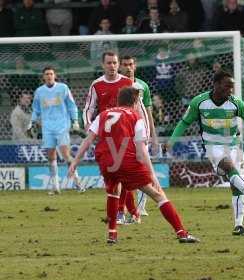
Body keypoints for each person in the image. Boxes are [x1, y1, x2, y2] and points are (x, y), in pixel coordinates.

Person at [69, 86, 199, 244]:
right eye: (138, 101)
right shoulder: (135, 117)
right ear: (135, 101)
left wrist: (74, 162)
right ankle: (182, 233)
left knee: (113, 192)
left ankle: (112, 234)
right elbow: (141, 151)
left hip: (106, 161)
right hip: (125, 160)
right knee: (158, 195)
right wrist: (151, 175)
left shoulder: (103, 115)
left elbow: (88, 140)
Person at [167, 70, 244, 236]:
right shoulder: (199, 102)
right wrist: (171, 142)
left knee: (236, 184)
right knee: (228, 166)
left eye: (232, 88)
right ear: (216, 85)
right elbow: (184, 122)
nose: (230, 91)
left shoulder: (236, 104)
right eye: (227, 87)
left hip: (233, 146)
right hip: (213, 147)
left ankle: (239, 225)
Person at [83, 51, 137, 225]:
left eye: (114, 63)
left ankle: (124, 212)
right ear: (102, 65)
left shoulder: (127, 82)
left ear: (118, 64)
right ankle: (128, 212)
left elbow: (137, 107)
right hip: (107, 137)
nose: (112, 66)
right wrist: (88, 124)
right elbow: (88, 109)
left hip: (126, 135)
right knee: (115, 176)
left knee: (123, 176)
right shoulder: (96, 85)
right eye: (109, 63)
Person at [29, 66, 84, 195]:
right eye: (46, 74)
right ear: (43, 77)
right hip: (47, 127)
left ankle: (78, 183)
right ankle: (55, 187)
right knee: (51, 156)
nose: (49, 76)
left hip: (62, 126)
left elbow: (71, 105)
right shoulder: (39, 92)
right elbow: (36, 109)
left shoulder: (63, 88)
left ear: (55, 76)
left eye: (51, 74)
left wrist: (75, 120)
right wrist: (31, 122)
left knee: (65, 155)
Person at [118, 55, 159, 220]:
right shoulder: (118, 85)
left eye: (131, 64)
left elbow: (148, 112)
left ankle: (140, 208)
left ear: (135, 66)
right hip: (124, 134)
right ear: (120, 67)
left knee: (142, 169)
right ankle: (125, 208)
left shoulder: (143, 86)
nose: (128, 67)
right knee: (126, 171)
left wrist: (154, 137)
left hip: (141, 133)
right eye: (125, 64)